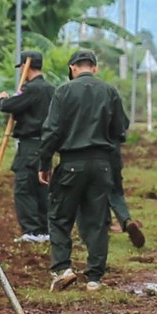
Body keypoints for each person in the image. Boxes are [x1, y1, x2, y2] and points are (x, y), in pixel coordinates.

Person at [38, 48, 130, 292]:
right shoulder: (109, 91)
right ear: (95, 68)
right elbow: (121, 129)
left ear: (72, 68)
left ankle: (63, 269)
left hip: (70, 164)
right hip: (102, 164)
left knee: (59, 217)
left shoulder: (64, 91)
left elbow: (52, 131)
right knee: (98, 220)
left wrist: (44, 163)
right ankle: (94, 278)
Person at [0, 50, 53, 244]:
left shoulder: (33, 89)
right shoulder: (50, 88)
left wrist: (2, 99)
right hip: (45, 144)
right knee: (41, 186)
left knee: (24, 187)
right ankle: (44, 229)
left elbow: (10, 105)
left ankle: (32, 231)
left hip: (30, 145)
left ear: (26, 67)